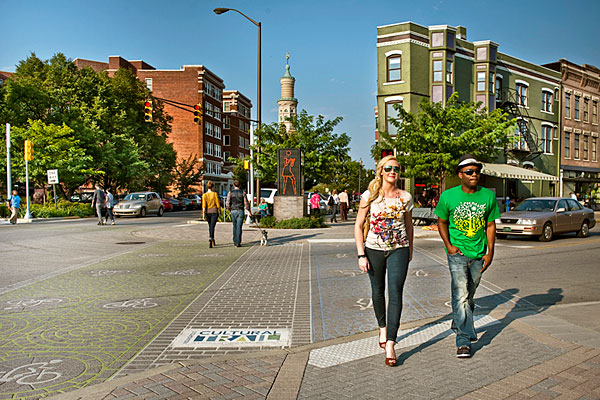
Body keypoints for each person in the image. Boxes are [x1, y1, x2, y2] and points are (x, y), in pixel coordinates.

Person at [434, 154, 500, 359]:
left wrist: (490, 252)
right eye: (469, 172)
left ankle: (458, 320)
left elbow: (490, 225)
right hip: (457, 253)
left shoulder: (487, 196)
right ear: (460, 175)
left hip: (479, 253)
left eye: (477, 171)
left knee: (469, 295)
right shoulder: (448, 196)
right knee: (461, 294)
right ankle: (463, 340)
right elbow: (442, 222)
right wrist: (449, 246)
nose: (474, 175)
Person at [354, 155, 414, 367]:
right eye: (388, 168)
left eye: (396, 169)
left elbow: (408, 226)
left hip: (399, 248)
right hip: (374, 250)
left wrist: (410, 250)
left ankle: (390, 342)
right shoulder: (370, 195)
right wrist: (361, 254)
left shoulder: (405, 197)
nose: (392, 172)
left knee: (396, 292)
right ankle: (382, 327)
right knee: (377, 291)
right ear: (380, 171)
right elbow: (359, 225)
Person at [226, 180, 250, 247]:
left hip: (233, 210)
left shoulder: (230, 192)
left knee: (234, 226)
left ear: (233, 185)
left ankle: (234, 240)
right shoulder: (243, 192)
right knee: (239, 227)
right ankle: (238, 242)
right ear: (240, 185)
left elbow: (227, 204)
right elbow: (246, 204)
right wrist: (249, 211)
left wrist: (229, 210)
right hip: (240, 210)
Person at [202, 180, 221, 248]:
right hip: (214, 212)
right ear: (212, 187)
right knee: (212, 226)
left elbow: (204, 205)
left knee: (210, 226)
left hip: (208, 212)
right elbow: (217, 204)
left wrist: (203, 215)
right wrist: (220, 210)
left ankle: (212, 238)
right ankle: (211, 238)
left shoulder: (204, 195)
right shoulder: (215, 194)